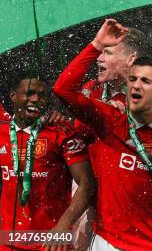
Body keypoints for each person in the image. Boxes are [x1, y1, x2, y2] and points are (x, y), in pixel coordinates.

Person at [53, 19, 152, 251]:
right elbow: (66, 97)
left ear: (131, 60)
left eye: (107, 52)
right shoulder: (93, 92)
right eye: (100, 53)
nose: (99, 59)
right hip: (91, 190)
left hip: (137, 204)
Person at [0, 73, 94, 251]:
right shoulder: (2, 130)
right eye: (29, 93)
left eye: (42, 95)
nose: (36, 99)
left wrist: (61, 228)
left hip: (51, 241)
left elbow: (87, 183)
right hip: (8, 240)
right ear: (13, 96)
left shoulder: (61, 131)